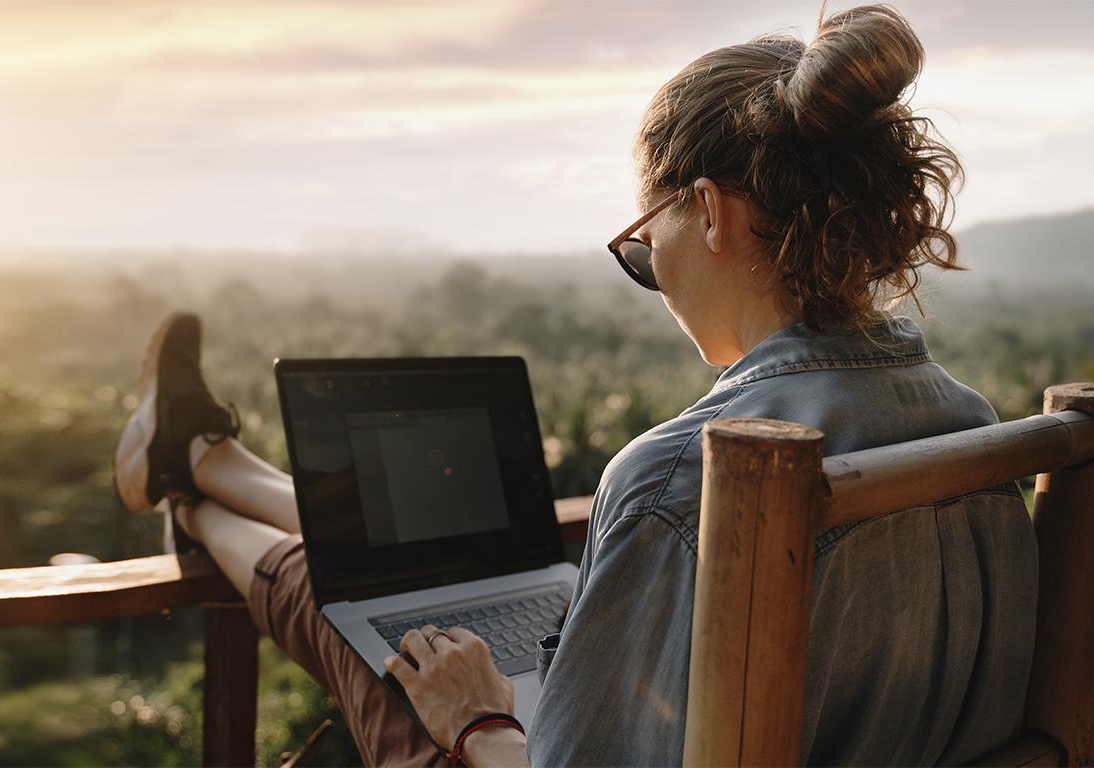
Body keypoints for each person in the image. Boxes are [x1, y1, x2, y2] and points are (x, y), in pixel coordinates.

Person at [111, 5, 1037, 765]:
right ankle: (204, 465)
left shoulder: (687, 476)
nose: (652, 270)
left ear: (708, 212)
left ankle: (192, 488)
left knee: (364, 617)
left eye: (645, 241)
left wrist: (478, 719)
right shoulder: (976, 433)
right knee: (389, 590)